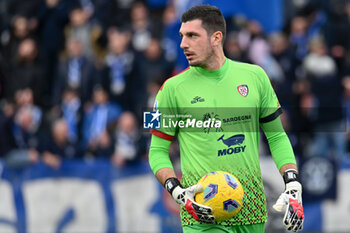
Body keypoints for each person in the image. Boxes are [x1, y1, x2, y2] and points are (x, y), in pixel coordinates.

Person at [148, 5, 304, 233]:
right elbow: (155, 150)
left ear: (216, 38)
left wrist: (292, 182)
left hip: (252, 210)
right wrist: (175, 189)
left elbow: (277, 136)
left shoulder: (256, 76)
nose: (183, 44)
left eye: (192, 36)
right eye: (182, 36)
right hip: (201, 212)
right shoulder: (169, 89)